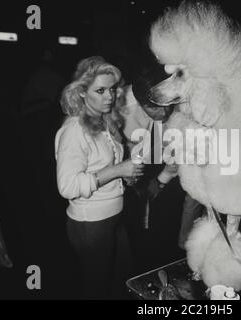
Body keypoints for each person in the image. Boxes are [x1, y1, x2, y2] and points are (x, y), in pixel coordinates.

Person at [55, 56, 144, 299]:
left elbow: (104, 168)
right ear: (82, 93)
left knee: (122, 281)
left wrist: (125, 176)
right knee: (98, 289)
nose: (110, 96)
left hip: (114, 216)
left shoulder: (105, 121)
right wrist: (116, 171)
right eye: (101, 90)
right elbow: (67, 186)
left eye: (113, 89)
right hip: (90, 223)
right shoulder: (74, 130)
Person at [119, 66, 204, 273]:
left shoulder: (180, 102)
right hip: (130, 164)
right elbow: (125, 165)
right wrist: (146, 184)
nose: (163, 112)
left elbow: (180, 155)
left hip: (166, 160)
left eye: (166, 105)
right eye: (154, 108)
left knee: (165, 222)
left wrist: (162, 179)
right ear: (140, 103)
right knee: (138, 229)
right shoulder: (122, 112)